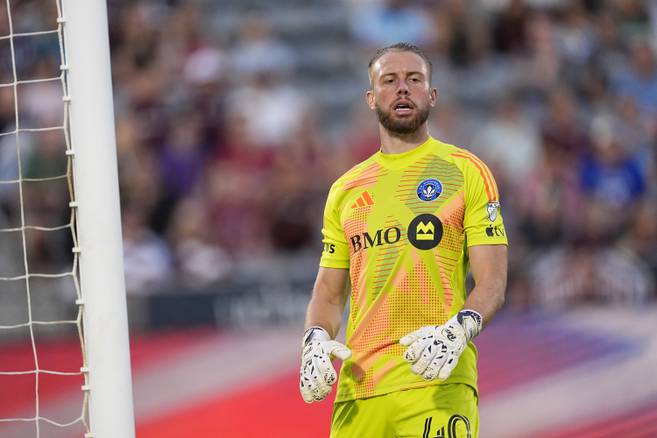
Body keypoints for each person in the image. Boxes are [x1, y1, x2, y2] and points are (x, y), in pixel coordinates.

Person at [298, 42, 508, 438]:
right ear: (370, 97)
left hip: (436, 381)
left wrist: (459, 330)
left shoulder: (465, 171)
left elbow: (492, 283)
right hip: (359, 393)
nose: (402, 89)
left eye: (414, 79)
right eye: (389, 81)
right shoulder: (345, 190)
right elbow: (328, 293)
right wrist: (314, 340)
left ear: (432, 94)